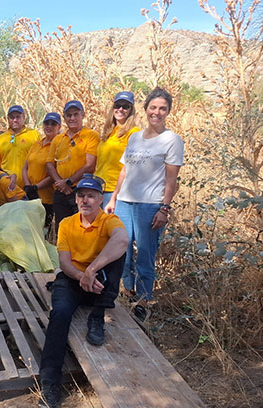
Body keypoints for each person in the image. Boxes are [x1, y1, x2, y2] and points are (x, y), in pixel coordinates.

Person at [38, 174, 128, 408]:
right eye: (81, 195)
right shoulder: (67, 223)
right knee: (60, 314)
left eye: (91, 195)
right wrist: (82, 276)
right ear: (76, 199)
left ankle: (97, 316)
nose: (85, 200)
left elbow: (122, 240)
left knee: (120, 255)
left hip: (97, 282)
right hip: (72, 279)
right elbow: (65, 262)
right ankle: (49, 384)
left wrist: (92, 270)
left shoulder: (110, 221)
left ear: (100, 199)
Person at [105, 88, 183, 323]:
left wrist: (164, 208)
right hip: (125, 203)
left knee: (145, 256)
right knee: (123, 251)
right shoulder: (135, 137)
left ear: (168, 111)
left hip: (150, 205)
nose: (157, 112)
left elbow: (172, 179)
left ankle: (144, 300)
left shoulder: (172, 140)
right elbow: (125, 170)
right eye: (153, 107)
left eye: (162, 109)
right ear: (146, 109)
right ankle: (128, 292)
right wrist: (114, 197)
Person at [46, 100, 99, 232]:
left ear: (83, 115)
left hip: (81, 191)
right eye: (69, 115)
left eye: (76, 114)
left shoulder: (91, 136)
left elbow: (90, 165)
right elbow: (50, 164)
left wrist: (68, 182)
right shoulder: (58, 139)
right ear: (64, 117)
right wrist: (60, 182)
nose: (72, 118)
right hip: (61, 192)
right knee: (62, 229)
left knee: (82, 229)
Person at [95, 91, 141, 208]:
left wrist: (114, 196)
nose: (120, 109)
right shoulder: (109, 131)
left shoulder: (133, 132)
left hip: (115, 190)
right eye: (117, 105)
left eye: (125, 106)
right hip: (99, 187)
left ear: (131, 110)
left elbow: (132, 167)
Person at [22, 112, 60, 230]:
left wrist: (36, 187)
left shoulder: (59, 145)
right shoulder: (36, 144)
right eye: (46, 123)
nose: (49, 126)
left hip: (46, 197)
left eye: (53, 124)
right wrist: (28, 186)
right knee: (29, 230)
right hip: (30, 195)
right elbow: (25, 167)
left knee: (43, 231)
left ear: (59, 127)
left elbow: (55, 173)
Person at [0, 105, 40, 183]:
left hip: (29, 184)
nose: (15, 120)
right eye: (12, 117)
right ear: (8, 119)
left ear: (24, 117)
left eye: (18, 117)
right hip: (7, 185)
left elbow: (40, 160)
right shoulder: (1, 138)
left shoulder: (34, 134)